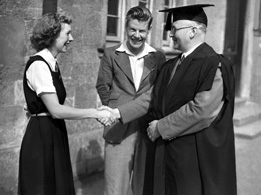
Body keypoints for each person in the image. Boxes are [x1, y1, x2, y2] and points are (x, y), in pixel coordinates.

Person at [145, 4, 237, 195]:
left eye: (174, 29)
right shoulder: (171, 65)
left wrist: (160, 127)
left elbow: (202, 110)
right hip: (166, 154)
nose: (170, 34)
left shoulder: (214, 64)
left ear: (193, 31)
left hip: (192, 158)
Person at [19, 12, 114, 195]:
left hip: (54, 132)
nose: (72, 38)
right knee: (43, 187)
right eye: (67, 33)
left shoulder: (51, 64)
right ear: (52, 35)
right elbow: (56, 110)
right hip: (42, 138)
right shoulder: (39, 65)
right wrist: (96, 113)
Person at [96, 6, 166, 195]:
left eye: (142, 31)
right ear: (125, 28)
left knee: (144, 187)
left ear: (148, 31)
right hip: (118, 128)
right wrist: (112, 110)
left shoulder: (158, 56)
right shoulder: (112, 54)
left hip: (147, 128)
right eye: (132, 29)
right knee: (114, 188)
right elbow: (103, 86)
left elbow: (158, 91)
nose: (137, 35)